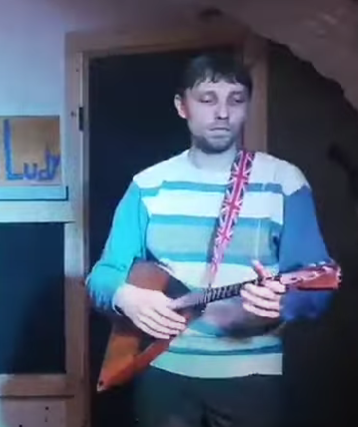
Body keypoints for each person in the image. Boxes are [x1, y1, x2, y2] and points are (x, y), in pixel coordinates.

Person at [86, 52, 333, 427]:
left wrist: (285, 302)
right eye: (207, 99)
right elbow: (103, 275)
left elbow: (319, 279)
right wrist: (126, 297)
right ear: (181, 106)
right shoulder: (148, 185)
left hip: (252, 376)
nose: (222, 113)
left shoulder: (284, 181)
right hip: (162, 370)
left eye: (236, 100)